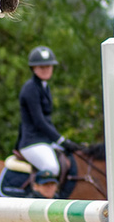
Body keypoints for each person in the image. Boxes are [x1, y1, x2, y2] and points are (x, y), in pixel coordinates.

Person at [15, 46, 73, 187]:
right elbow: (39, 121)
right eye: (41, 67)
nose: (46, 69)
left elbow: (47, 120)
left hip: (43, 141)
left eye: (48, 66)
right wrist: (60, 140)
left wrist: (64, 142)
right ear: (33, 68)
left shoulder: (44, 87)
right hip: (32, 142)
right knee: (52, 167)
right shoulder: (30, 89)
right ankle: (36, 195)